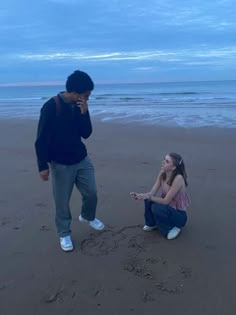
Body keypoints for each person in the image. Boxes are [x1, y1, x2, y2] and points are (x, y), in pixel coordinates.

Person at [35, 70, 104, 252]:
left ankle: (87, 216)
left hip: (81, 159)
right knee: (62, 202)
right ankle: (64, 233)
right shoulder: (51, 107)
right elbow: (40, 139)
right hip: (60, 164)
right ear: (75, 92)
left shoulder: (80, 106)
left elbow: (86, 133)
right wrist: (43, 166)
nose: (88, 98)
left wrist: (85, 113)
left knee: (92, 193)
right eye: (86, 95)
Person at [130, 153, 190, 240]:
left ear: (173, 167)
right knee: (148, 200)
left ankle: (172, 228)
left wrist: (148, 197)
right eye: (164, 159)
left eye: (167, 161)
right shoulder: (162, 173)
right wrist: (140, 196)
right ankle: (152, 223)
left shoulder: (178, 179)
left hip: (179, 216)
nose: (163, 162)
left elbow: (166, 201)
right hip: (168, 208)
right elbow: (151, 193)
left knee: (156, 207)